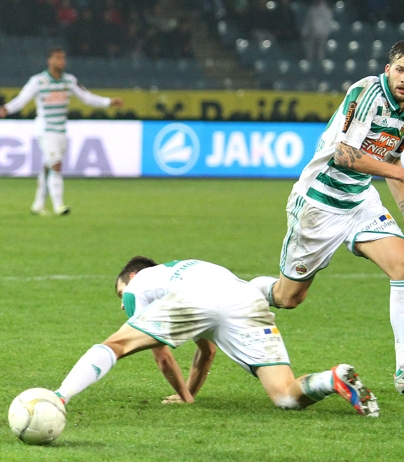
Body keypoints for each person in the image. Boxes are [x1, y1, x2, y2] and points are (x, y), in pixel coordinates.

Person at [250, 40, 404, 394]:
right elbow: (345, 156)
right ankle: (243, 294)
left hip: (360, 200)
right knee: (289, 298)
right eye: (400, 69)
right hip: (319, 204)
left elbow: (392, 163)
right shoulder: (367, 92)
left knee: (402, 265)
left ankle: (402, 369)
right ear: (388, 70)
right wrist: (399, 174)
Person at [54, 257, 379, 417]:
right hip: (245, 296)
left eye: (120, 293)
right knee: (285, 396)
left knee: (117, 344)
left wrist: (184, 395)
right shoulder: (184, 268)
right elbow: (206, 352)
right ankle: (332, 379)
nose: (123, 303)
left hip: (199, 298)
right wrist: (188, 394)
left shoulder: (140, 285)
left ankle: (59, 397)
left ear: (132, 276)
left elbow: (163, 355)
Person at [0, 47, 122, 216]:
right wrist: (8, 108)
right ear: (49, 61)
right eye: (57, 58)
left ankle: (38, 205)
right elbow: (23, 98)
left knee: (49, 167)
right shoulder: (39, 81)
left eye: (63, 58)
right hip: (45, 128)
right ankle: (59, 205)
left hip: (61, 130)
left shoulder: (69, 81)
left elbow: (87, 97)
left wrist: (108, 102)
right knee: (56, 164)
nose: (61, 62)